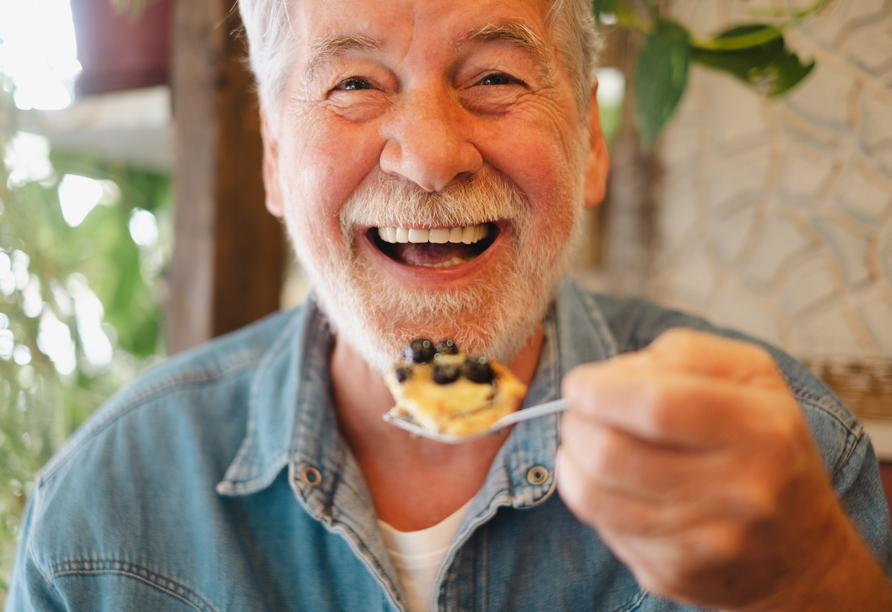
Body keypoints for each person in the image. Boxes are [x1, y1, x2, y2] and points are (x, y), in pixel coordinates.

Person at [8, 0, 892, 609]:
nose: (430, 157)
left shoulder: (792, 457)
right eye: (354, 83)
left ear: (589, 142)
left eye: (497, 77)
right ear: (276, 156)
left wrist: (810, 580)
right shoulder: (101, 516)